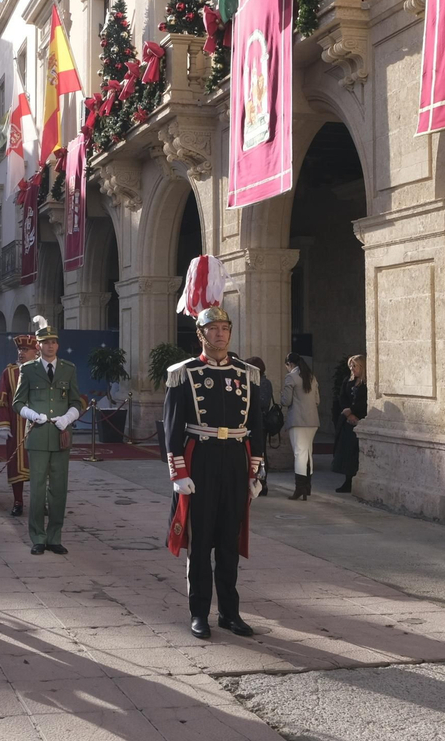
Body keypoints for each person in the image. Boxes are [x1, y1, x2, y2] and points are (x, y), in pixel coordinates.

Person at [165, 255, 264, 640]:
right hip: (201, 460)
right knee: (200, 541)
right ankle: (199, 613)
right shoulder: (184, 374)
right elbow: (172, 429)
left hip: (235, 463)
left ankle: (230, 613)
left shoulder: (247, 374)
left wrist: (255, 470)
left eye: (225, 328)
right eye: (214, 329)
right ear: (201, 336)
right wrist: (179, 473)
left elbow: (254, 426)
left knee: (228, 541)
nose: (221, 334)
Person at [12, 318, 82, 555]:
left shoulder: (68, 369)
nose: (50, 346)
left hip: (61, 435)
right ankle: (38, 538)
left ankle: (54, 537)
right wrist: (32, 414)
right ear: (38, 345)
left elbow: (76, 401)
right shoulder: (28, 369)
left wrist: (68, 417)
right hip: (39, 436)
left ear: (58, 345)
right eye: (45, 342)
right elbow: (17, 402)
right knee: (38, 489)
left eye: (53, 342)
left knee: (59, 489)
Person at [0, 335, 38, 517]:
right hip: (17, 427)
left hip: (40, 426)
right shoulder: (9, 372)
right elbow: (1, 399)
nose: (21, 353)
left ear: (36, 352)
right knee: (16, 465)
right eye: (20, 350)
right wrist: (3, 424)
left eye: (26, 350)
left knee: (41, 467)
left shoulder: (44, 371)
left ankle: (40, 502)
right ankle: (18, 501)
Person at [280, 353, 321, 501]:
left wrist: (281, 395)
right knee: (308, 453)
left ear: (289, 364)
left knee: (299, 454)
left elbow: (286, 400)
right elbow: (317, 400)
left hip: (298, 420)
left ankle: (300, 488)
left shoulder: (291, 377)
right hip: (312, 420)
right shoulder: (311, 377)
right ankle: (307, 487)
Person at [246, 357, 281, 498]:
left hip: (260, 422)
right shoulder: (251, 381)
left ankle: (262, 481)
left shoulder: (264, 382)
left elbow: (262, 402)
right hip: (249, 422)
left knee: (260, 453)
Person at [333, 355, 366, 494]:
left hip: (361, 418)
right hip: (348, 421)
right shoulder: (348, 381)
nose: (352, 369)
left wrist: (354, 412)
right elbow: (343, 397)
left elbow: (364, 401)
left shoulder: (366, 384)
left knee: (355, 453)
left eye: (355, 366)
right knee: (346, 451)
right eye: (350, 366)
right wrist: (348, 413)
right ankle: (347, 481)